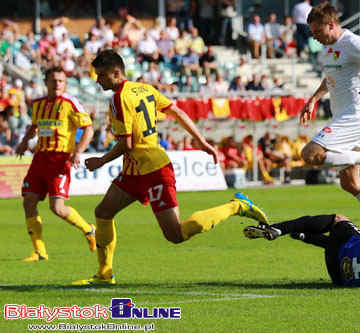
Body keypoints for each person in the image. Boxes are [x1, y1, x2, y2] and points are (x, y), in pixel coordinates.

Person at [72, 50, 268, 285]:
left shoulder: (118, 98)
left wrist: (100, 161)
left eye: (102, 75)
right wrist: (201, 141)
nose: (97, 80)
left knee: (176, 234)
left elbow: (127, 143)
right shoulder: (145, 89)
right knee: (103, 212)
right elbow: (176, 111)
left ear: (116, 72)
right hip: (135, 170)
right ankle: (105, 274)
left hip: (154, 169)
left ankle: (236, 206)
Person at [299, 4, 360, 228]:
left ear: (331, 24)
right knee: (351, 183)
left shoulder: (353, 42)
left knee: (310, 154)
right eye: (312, 32)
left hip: (355, 116)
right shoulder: (327, 48)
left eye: (317, 32)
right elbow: (331, 78)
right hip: (343, 116)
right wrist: (314, 99)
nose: (314, 37)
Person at [15, 66, 96, 262]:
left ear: (65, 83)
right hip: (40, 159)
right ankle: (40, 251)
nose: (57, 84)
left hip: (60, 160)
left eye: (61, 81)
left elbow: (89, 129)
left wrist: (78, 152)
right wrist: (24, 142)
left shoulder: (71, 102)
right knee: (28, 201)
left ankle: (88, 230)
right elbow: (35, 126)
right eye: (54, 80)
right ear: (46, 82)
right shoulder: (39, 104)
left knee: (57, 208)